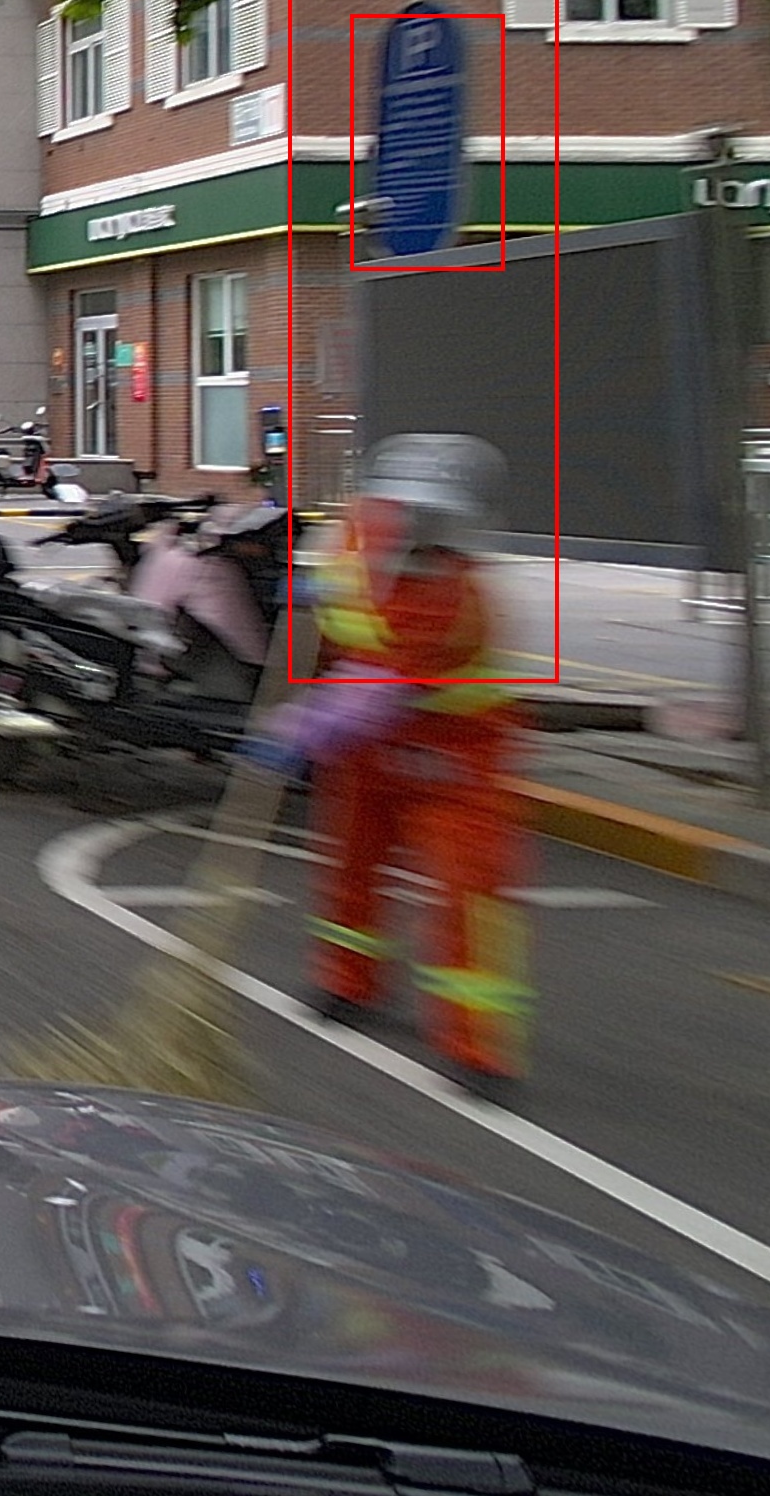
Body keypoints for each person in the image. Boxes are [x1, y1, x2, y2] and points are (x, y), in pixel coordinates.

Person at [239, 434, 532, 1091]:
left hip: (455, 761)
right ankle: (347, 980)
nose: (424, 526)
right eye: (412, 511)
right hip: (369, 759)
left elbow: (389, 684)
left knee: (467, 896)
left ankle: (476, 1042)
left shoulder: (463, 601)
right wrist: (308, 603)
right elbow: (336, 629)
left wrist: (308, 725)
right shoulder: (357, 549)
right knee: (349, 868)